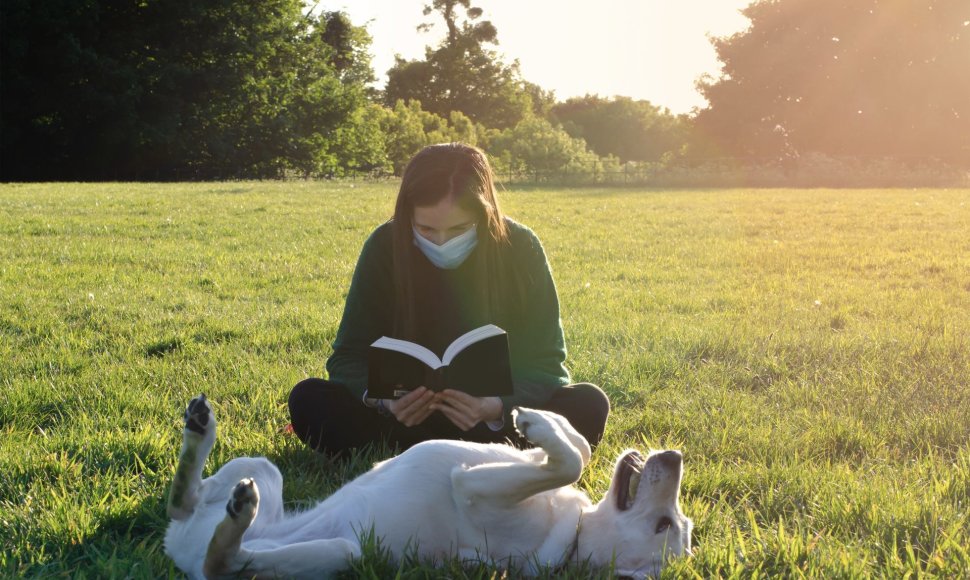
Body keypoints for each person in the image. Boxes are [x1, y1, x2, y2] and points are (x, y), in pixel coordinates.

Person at [288, 143, 609, 458]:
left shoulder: (520, 245)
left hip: (493, 423)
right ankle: (437, 450)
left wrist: (496, 405)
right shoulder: (385, 245)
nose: (442, 242)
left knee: (587, 403)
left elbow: (548, 364)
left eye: (459, 229)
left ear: (485, 213)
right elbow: (346, 356)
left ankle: (429, 452)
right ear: (407, 215)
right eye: (426, 229)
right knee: (309, 398)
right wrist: (383, 402)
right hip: (400, 420)